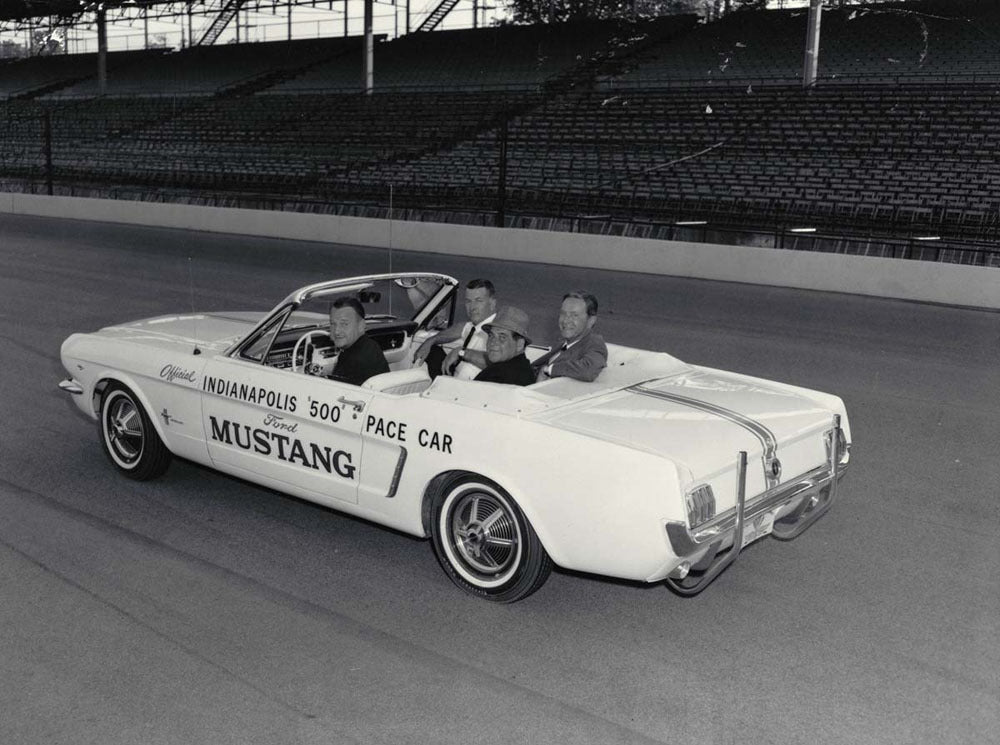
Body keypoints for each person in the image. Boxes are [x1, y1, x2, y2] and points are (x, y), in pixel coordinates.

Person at [412, 278, 497, 380]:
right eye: (468, 301)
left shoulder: (497, 330)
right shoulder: (474, 326)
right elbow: (459, 328)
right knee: (433, 351)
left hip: (473, 387)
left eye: (478, 300)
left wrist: (461, 352)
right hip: (456, 378)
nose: (472, 307)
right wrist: (431, 340)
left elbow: (496, 364)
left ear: (492, 303)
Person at [532, 291, 607, 382]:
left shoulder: (594, 343)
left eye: (574, 315)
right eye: (563, 313)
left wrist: (548, 370)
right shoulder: (564, 343)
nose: (566, 320)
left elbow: (588, 370)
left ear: (591, 321)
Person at [325, 298, 389, 386]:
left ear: (361, 325)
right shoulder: (370, 346)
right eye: (333, 324)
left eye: (344, 324)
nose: (336, 331)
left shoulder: (355, 360)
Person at [474, 306, 535, 387]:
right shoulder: (523, 369)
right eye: (491, 335)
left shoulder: (498, 375)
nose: (492, 342)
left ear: (519, 344)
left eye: (502, 337)